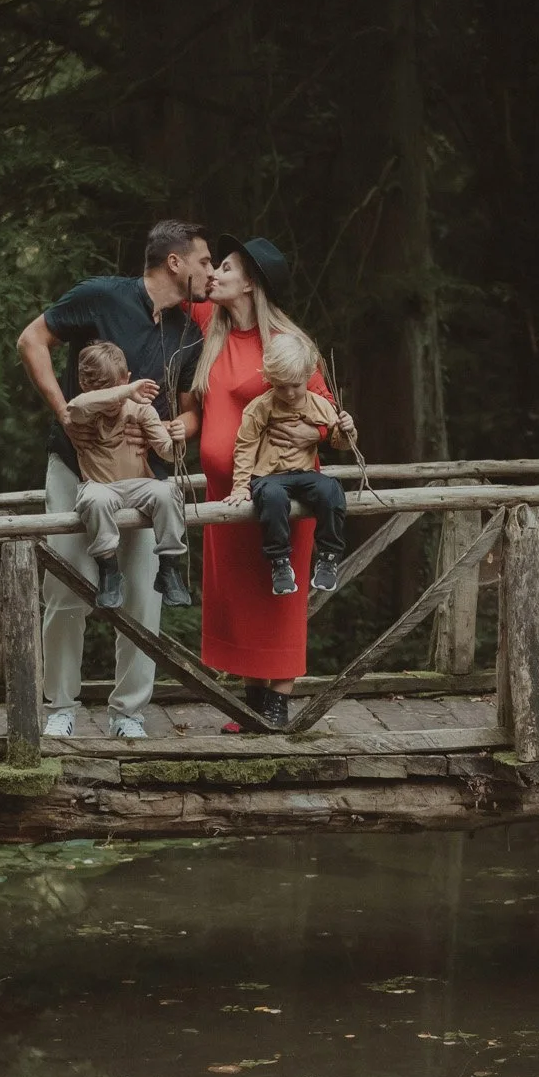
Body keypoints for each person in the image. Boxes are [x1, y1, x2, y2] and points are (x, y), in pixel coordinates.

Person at [17, 219, 213, 741]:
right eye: (204, 261)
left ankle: (128, 711)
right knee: (65, 589)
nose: (210, 273)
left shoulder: (189, 332)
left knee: (146, 597)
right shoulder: (102, 296)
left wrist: (181, 428)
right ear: (175, 263)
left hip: (146, 473)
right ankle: (61, 706)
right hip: (76, 470)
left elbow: (192, 411)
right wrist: (64, 412)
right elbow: (31, 340)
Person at [190, 237, 355, 732]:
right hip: (228, 494)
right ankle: (251, 704)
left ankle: (278, 706)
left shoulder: (284, 341)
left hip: (282, 492)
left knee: (278, 593)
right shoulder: (209, 325)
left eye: (225, 267)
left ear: (252, 282)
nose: (214, 274)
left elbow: (327, 409)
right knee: (237, 596)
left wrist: (318, 431)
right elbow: (171, 283)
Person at [65, 341, 192, 612]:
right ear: (87, 387)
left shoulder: (141, 409)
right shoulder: (85, 412)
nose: (114, 400)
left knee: (167, 492)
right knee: (93, 500)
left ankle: (169, 568)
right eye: (105, 392)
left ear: (128, 379)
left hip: (138, 485)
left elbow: (166, 454)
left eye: (119, 389)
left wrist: (177, 442)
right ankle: (109, 571)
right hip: (101, 487)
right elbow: (75, 408)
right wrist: (121, 391)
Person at [225, 331, 352, 597]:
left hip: (305, 474)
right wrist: (240, 487)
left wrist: (347, 430)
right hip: (268, 476)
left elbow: (340, 443)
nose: (290, 393)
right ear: (269, 380)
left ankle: (328, 557)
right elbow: (245, 447)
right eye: (281, 386)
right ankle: (280, 562)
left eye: (295, 384)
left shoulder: (320, 405)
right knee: (271, 497)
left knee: (330, 490)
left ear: (308, 376)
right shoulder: (261, 408)